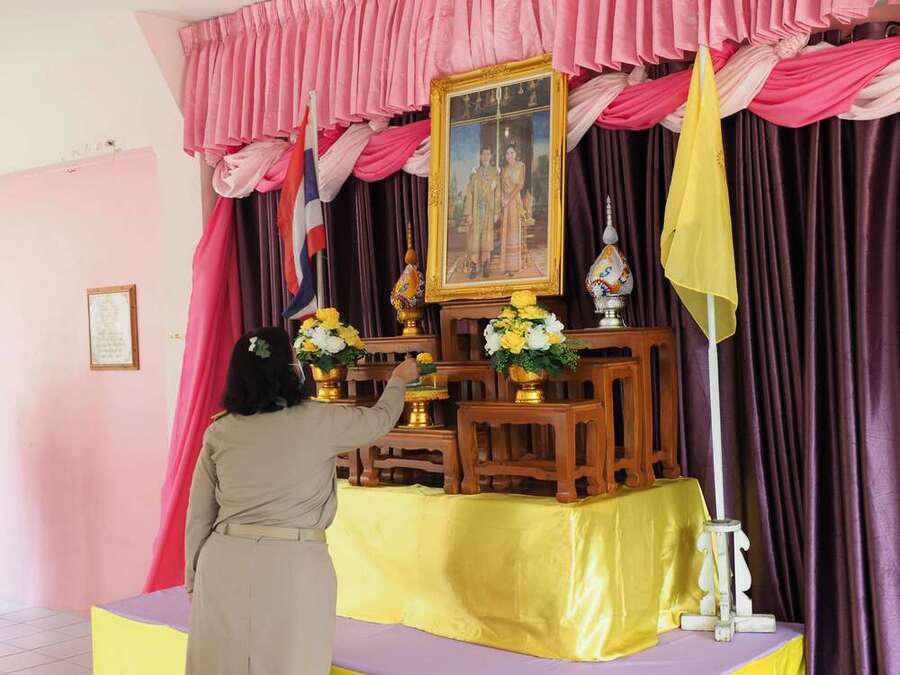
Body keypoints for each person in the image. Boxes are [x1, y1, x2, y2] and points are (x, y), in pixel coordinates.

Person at [184, 326, 418, 674]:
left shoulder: (221, 430)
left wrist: (193, 577)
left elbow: (200, 513)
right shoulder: (321, 419)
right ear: (289, 369)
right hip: (293, 562)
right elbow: (379, 420)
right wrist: (398, 380)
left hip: (222, 562)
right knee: (292, 663)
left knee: (220, 665)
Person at [461, 146, 500, 278]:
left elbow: (498, 193)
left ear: (491, 156)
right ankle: (474, 266)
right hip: (476, 211)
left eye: (488, 154)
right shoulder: (475, 173)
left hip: (489, 211)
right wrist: (469, 214)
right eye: (483, 154)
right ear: (480, 156)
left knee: (487, 238)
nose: (485, 157)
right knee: (475, 238)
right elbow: (470, 193)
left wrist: (496, 212)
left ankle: (485, 266)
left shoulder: (495, 173)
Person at [498, 145, 526, 275]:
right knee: (506, 231)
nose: (509, 155)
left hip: (514, 201)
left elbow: (520, 185)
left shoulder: (520, 166)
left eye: (511, 152)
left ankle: (514, 266)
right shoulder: (504, 169)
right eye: (507, 153)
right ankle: (506, 267)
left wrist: (508, 199)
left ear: (515, 153)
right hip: (505, 203)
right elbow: (501, 186)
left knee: (513, 232)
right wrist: (502, 199)